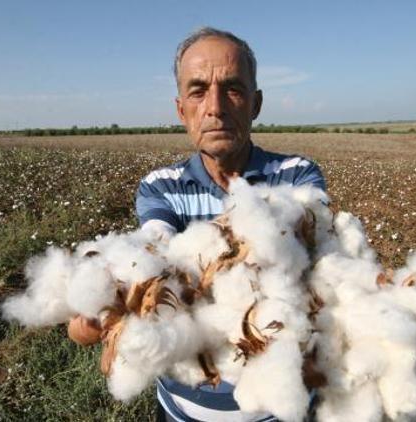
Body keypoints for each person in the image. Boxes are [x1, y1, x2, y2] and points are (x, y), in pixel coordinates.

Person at [68, 27, 326, 421]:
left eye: (233, 89)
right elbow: (154, 243)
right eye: (198, 90)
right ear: (181, 109)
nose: (215, 106)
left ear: (255, 104)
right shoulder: (161, 187)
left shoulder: (296, 175)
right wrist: (108, 302)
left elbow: (307, 234)